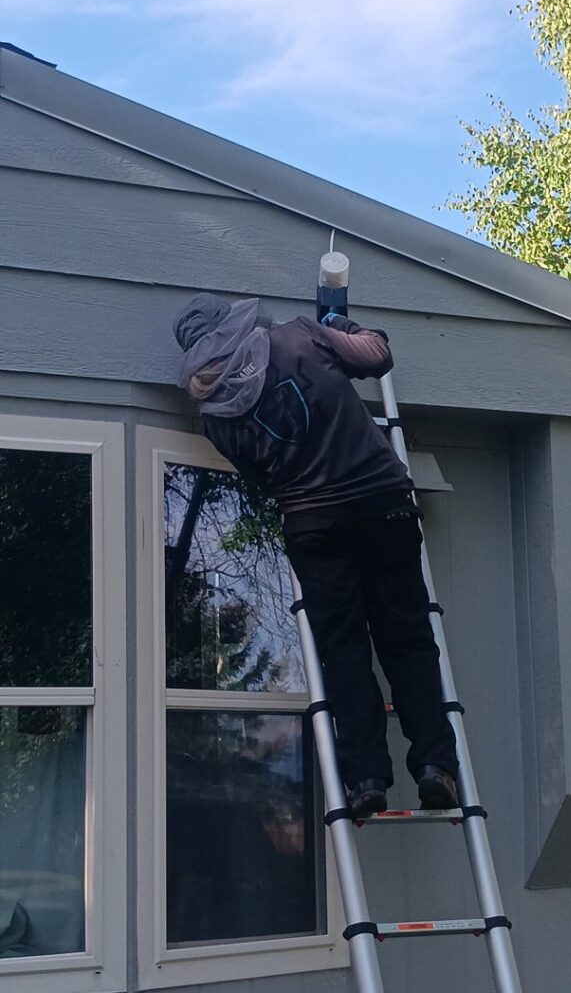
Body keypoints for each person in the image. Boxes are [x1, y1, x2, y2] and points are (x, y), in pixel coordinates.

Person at [173, 293, 459, 819]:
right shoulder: (300, 335)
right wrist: (339, 323)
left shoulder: (217, 420)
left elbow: (264, 480)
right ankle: (436, 766)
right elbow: (377, 355)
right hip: (383, 507)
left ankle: (367, 777)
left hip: (314, 528)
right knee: (409, 642)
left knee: (344, 652)